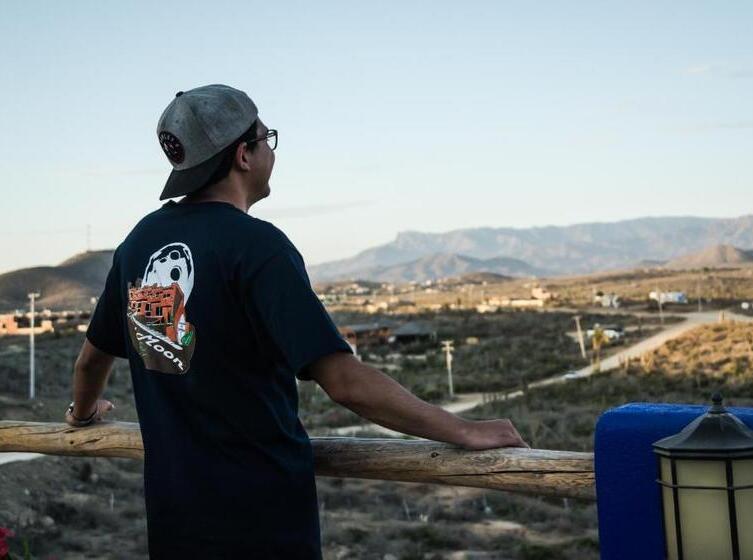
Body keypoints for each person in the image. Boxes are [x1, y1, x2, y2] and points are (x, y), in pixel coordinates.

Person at [64, 84, 528, 559]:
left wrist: (83, 414)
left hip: (174, 523)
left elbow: (90, 361)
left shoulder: (140, 242)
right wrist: (463, 430)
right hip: (262, 523)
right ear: (244, 155)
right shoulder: (257, 246)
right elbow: (345, 382)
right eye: (267, 138)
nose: (270, 150)